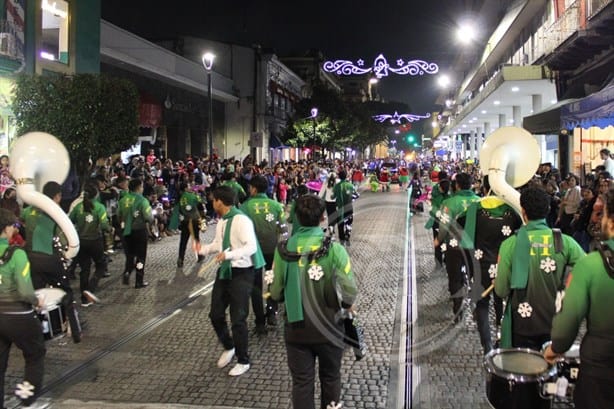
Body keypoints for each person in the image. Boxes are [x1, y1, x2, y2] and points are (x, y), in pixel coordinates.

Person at [269, 194, 358, 409]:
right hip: (329, 326)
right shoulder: (334, 249)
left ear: (297, 217)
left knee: (301, 383)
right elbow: (349, 289)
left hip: (296, 328)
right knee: (330, 377)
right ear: (323, 218)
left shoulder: (283, 250)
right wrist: (347, 306)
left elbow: (276, 292)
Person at [543, 189, 614, 409]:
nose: (596, 219)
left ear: (611, 221)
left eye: (601, 214)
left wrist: (555, 349)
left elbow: (569, 319)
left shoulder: (592, 265)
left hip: (601, 366)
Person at [495, 187, 585, 350]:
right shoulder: (565, 242)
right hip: (556, 323)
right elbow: (586, 271)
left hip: (522, 324)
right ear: (548, 209)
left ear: (523, 211)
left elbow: (501, 290)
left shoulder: (510, 244)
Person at [197, 185, 264, 376]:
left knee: (238, 318)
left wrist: (230, 255)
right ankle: (229, 346)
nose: (212, 203)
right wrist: (203, 249)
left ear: (220, 201)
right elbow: (219, 243)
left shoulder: (241, 220)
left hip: (243, 272)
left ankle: (244, 360)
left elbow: (251, 247)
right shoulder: (222, 222)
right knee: (215, 314)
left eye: (213, 200)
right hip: (225, 272)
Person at [463, 176, 522, 354]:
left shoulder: (475, 207)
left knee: (481, 304)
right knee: (505, 301)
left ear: (485, 186)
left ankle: (487, 347)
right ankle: (503, 336)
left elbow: (467, 241)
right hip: (506, 264)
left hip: (481, 264)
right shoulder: (513, 209)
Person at [22, 181, 84, 343]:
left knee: (37, 296)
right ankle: (76, 331)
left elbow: (20, 223)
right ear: (57, 196)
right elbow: (64, 238)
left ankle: (38, 332)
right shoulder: (56, 213)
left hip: (32, 260)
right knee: (66, 294)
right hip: (51, 260)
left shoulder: (28, 211)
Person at [0, 209, 46, 409]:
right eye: (14, 227)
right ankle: (26, 396)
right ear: (7, 228)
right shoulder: (16, 254)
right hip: (18, 315)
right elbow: (25, 291)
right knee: (35, 354)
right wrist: (37, 301)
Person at [240, 175, 288, 332]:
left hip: (253, 253)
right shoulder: (276, 206)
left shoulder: (245, 207)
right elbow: (283, 229)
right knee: (271, 281)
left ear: (253, 188)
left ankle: (260, 322)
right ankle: (271, 312)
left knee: (255, 286)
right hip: (272, 250)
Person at [434, 172, 480, 321]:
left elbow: (443, 225)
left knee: (454, 278)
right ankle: (477, 307)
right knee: (475, 276)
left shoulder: (449, 203)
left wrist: (438, 240)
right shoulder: (480, 201)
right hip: (474, 246)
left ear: (457, 185)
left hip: (454, 246)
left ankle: (457, 309)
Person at [69, 183, 110, 306]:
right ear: (96, 194)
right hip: (95, 241)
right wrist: (109, 229)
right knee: (101, 265)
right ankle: (90, 289)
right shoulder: (99, 207)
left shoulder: (78, 207)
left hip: (81, 241)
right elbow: (104, 225)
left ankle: (84, 298)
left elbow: (70, 221)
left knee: (84, 269)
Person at [118, 178, 154, 288]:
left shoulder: (123, 200)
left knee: (130, 256)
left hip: (127, 232)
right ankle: (139, 280)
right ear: (139, 187)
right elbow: (148, 217)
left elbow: (118, 216)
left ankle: (127, 271)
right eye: (142, 187)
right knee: (140, 258)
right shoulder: (142, 201)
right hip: (139, 231)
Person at [175, 181, 205, 268]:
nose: (190, 187)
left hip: (185, 221)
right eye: (188, 186)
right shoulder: (192, 195)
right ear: (185, 188)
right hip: (194, 220)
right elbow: (201, 204)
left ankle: (180, 258)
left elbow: (178, 211)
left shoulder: (179, 198)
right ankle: (199, 255)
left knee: (183, 241)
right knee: (196, 238)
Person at [332, 170, 356, 246]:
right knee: (349, 222)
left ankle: (341, 240)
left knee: (340, 224)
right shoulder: (350, 185)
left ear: (339, 176)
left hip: (340, 208)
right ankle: (347, 234)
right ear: (346, 176)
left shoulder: (336, 186)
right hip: (349, 207)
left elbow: (333, 196)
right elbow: (356, 195)